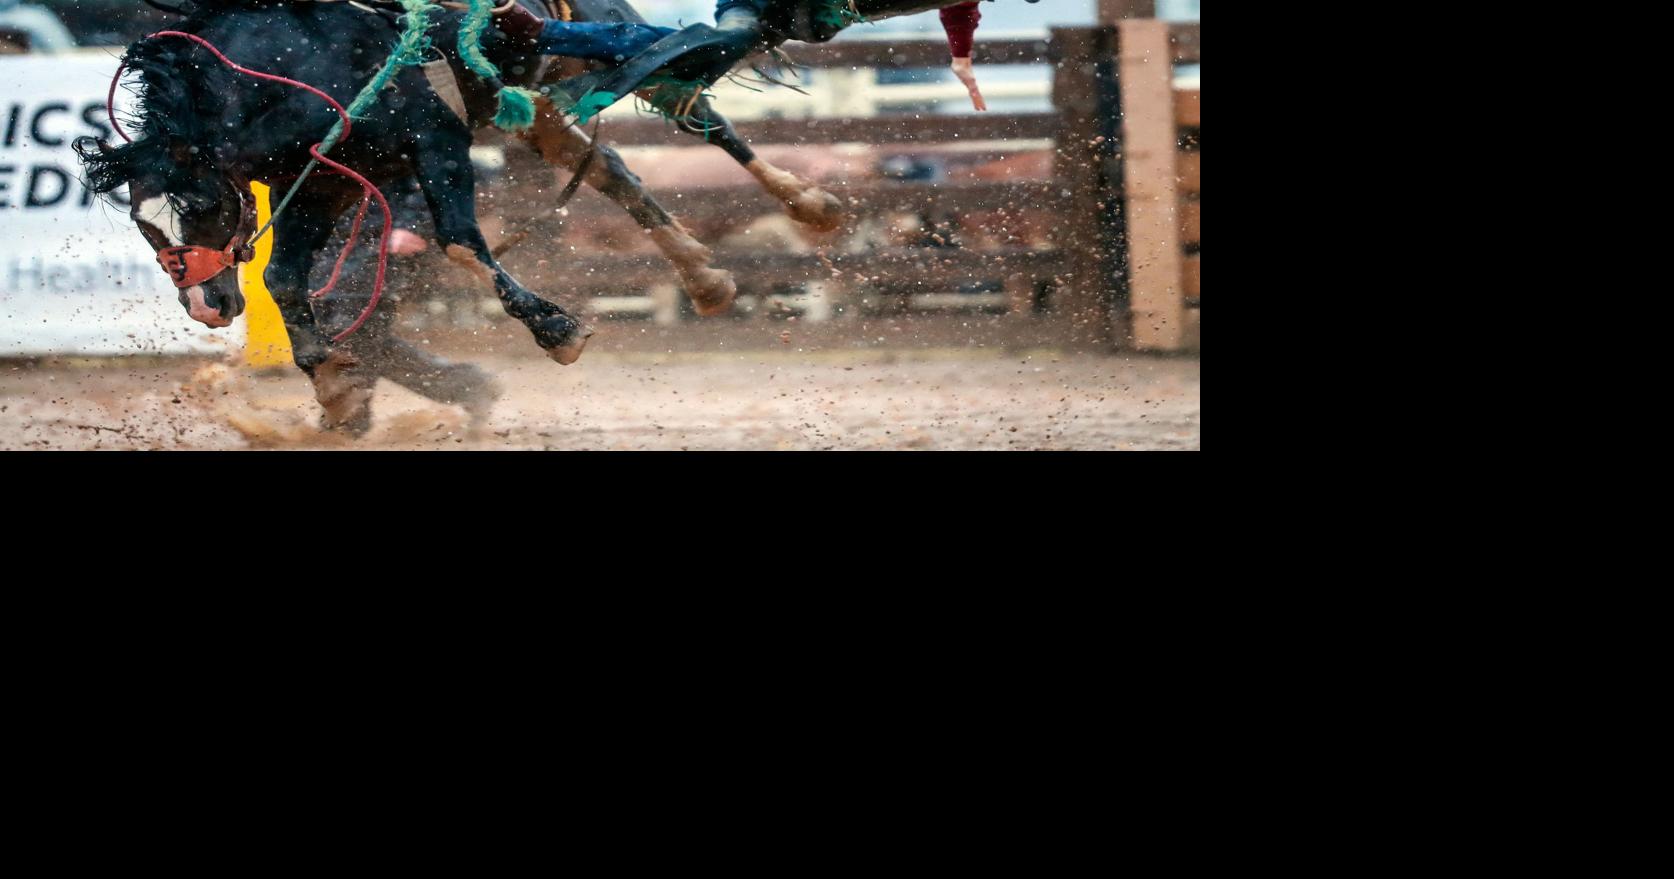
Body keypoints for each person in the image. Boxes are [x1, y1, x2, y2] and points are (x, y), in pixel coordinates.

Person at [493, 0, 1001, 118]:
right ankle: (547, 38)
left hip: (808, 15)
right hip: (761, 4)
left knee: (700, 54)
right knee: (713, 47)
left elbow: (962, 7)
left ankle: (556, 57)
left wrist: (961, 57)